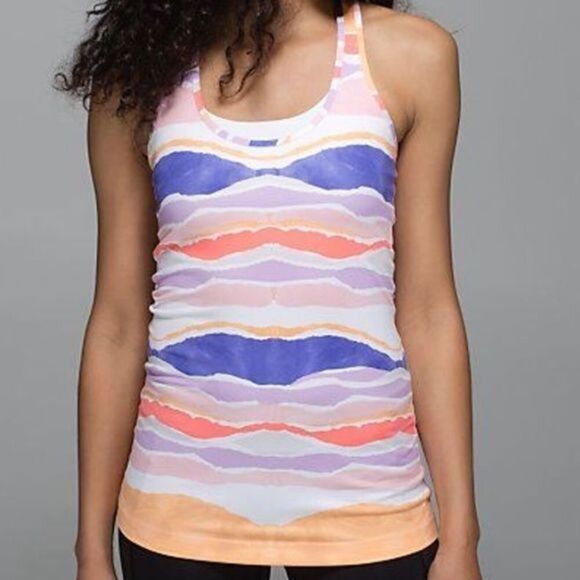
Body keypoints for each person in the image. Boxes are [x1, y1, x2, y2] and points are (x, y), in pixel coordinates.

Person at [56, 0, 482, 578]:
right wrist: (90, 549)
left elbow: (429, 309)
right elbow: (117, 322)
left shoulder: (411, 57)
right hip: (177, 507)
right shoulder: (137, 74)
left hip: (370, 504)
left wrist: (461, 538)